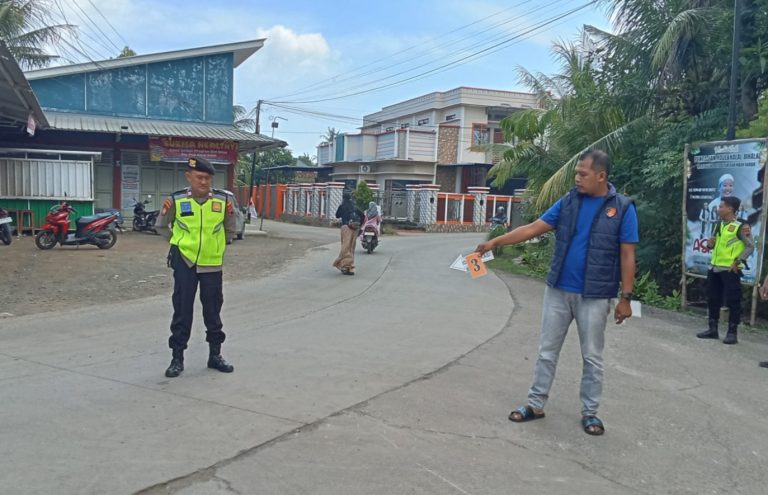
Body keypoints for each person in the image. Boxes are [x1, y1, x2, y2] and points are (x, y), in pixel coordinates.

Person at [475, 150, 638, 436]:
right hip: (558, 290)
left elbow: (627, 254)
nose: (577, 178)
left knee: (592, 357)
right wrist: (494, 242)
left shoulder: (622, 208)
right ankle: (535, 404)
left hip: (596, 295)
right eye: (576, 172)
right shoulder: (569, 202)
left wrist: (626, 298)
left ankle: (590, 413)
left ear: (601, 176)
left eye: (583, 174)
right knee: (547, 352)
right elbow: (534, 227)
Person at [160, 157, 236, 378]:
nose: (204, 182)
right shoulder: (176, 200)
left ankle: (215, 355)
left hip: (212, 263)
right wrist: (179, 244)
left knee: (213, 311)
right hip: (185, 262)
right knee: (182, 310)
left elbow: (230, 228)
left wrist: (218, 246)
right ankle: (177, 358)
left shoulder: (223, 201)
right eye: (200, 177)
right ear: (189, 176)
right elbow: (162, 226)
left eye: (208, 178)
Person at [696, 196, 753, 345]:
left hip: (730, 269)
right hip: (715, 267)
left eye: (721, 206)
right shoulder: (718, 224)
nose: (718, 209)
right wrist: (709, 244)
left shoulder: (741, 226)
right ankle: (712, 329)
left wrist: (739, 261)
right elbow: (713, 245)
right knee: (713, 298)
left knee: (733, 301)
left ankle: (732, 333)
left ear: (730, 209)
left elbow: (750, 246)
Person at [333, 191, 364, 275]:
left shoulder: (342, 206)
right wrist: (359, 226)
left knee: (345, 247)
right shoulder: (354, 206)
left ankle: (343, 265)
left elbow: (337, 216)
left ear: (343, 198)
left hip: (345, 228)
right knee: (351, 248)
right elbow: (363, 216)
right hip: (354, 229)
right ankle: (350, 267)